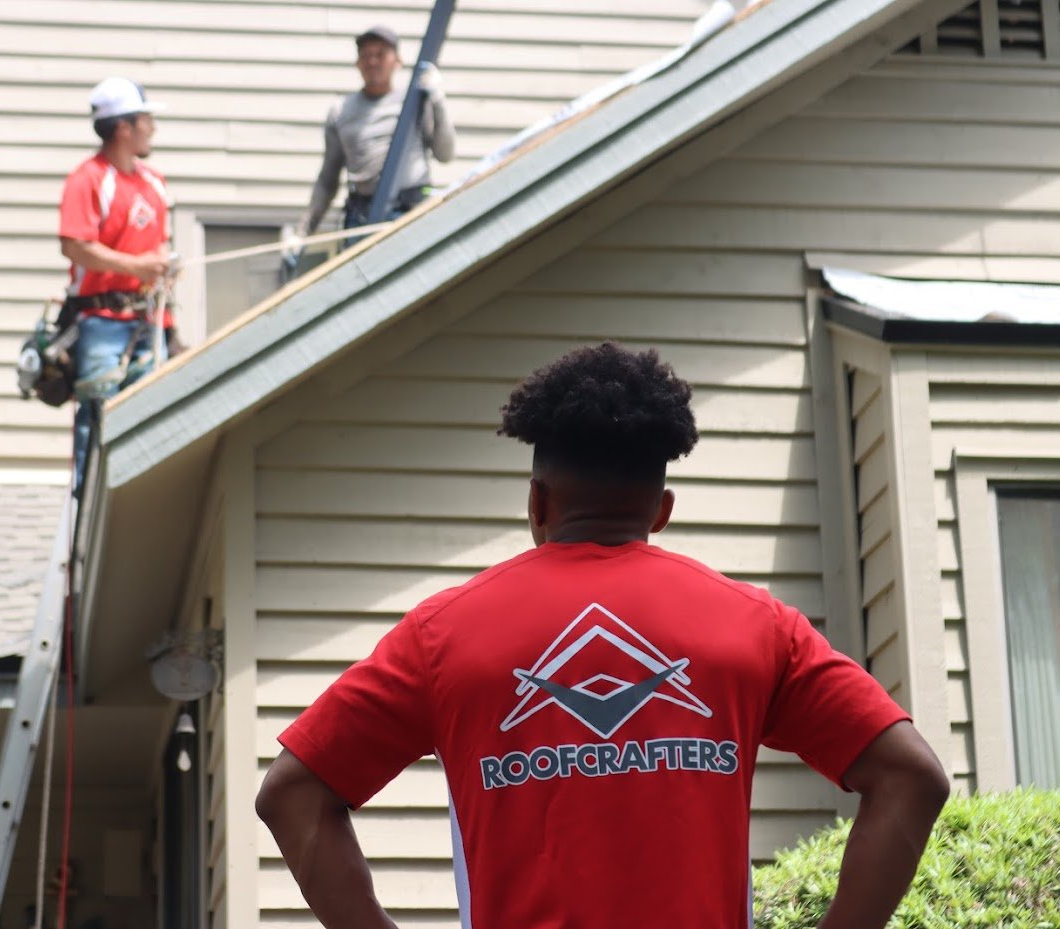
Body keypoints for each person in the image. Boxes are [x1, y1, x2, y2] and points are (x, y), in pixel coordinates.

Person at [256, 342, 950, 929]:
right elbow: (911, 776)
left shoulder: (443, 635)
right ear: (661, 510)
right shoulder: (756, 625)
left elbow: (291, 794)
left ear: (537, 502)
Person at [58, 76, 177, 491]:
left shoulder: (154, 183)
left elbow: (158, 245)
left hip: (149, 320)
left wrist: (163, 270)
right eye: (146, 119)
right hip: (102, 321)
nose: (152, 128)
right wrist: (137, 266)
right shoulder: (88, 179)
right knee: (98, 418)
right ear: (124, 127)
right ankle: (88, 504)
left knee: (149, 419)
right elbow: (75, 245)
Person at [290, 25, 456, 252]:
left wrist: (437, 101)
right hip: (363, 218)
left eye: (380, 54)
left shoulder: (413, 103)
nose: (373, 62)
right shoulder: (341, 112)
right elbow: (328, 181)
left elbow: (445, 154)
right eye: (366, 55)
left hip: (411, 214)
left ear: (397, 60)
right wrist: (302, 234)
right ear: (357, 63)